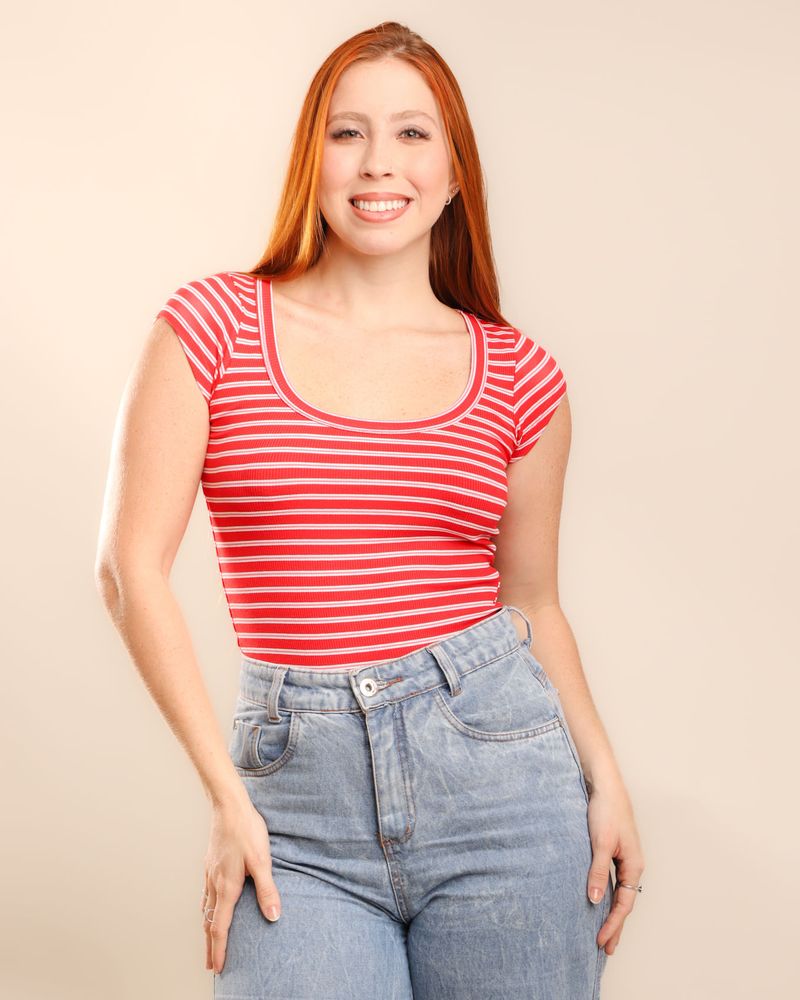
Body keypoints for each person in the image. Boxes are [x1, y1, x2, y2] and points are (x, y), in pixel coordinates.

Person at [95, 19, 645, 1000]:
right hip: (296, 805)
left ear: (455, 171)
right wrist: (227, 799)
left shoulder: (520, 375)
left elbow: (532, 603)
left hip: (504, 784)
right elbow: (129, 570)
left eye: (411, 134)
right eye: (347, 133)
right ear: (311, 158)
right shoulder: (212, 329)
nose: (377, 163)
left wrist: (604, 775)